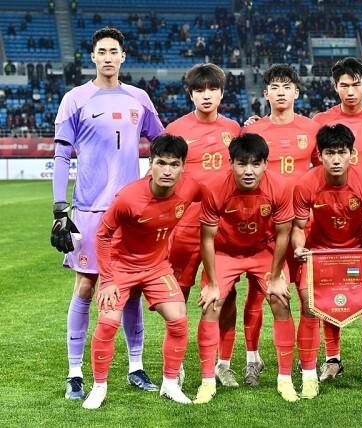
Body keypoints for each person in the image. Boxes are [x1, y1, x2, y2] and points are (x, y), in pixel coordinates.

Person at [51, 26, 164, 400]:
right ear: (93, 57)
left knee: (131, 291)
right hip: (88, 210)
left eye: (114, 51)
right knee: (85, 286)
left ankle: (136, 367)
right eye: (102, 51)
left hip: (131, 214)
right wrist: (59, 209)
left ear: (123, 56)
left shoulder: (139, 98)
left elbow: (163, 144)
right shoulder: (75, 99)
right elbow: (61, 156)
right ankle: (74, 373)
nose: (108, 57)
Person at [83, 135, 201, 409]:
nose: (167, 170)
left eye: (174, 164)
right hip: (121, 267)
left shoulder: (191, 188)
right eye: (161, 163)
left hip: (156, 267)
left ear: (183, 167)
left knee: (179, 319)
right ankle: (99, 387)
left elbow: (216, 201)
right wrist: (108, 280)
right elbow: (102, 235)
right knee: (107, 323)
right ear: (150, 163)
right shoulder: (129, 198)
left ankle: (170, 384)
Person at [221, 65, 319, 387]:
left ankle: (307, 360)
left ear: (296, 92)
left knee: (306, 294)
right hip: (265, 227)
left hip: (303, 225)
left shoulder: (312, 128)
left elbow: (323, 171)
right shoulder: (253, 130)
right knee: (258, 294)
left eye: (286, 86)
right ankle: (253, 359)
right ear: (265, 94)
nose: (280, 92)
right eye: (274, 87)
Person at [292, 124, 362, 400]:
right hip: (320, 254)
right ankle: (309, 378)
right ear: (319, 155)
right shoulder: (306, 184)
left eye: (341, 152)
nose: (336, 159)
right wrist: (299, 247)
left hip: (357, 252)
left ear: (352, 153)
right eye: (329, 153)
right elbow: (298, 227)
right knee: (310, 308)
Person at [198, 133, 299, 402]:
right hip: (225, 251)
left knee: (279, 299)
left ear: (266, 164)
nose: (248, 171)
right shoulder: (215, 188)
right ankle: (207, 381)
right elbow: (206, 238)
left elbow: (283, 234)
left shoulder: (280, 186)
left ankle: (285, 379)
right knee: (212, 303)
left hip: (262, 250)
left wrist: (276, 277)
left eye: (255, 163)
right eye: (242, 164)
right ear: (230, 163)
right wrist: (212, 283)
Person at [311, 57, 362, 381]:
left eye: (356, 83)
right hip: (328, 218)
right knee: (328, 288)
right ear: (335, 87)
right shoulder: (320, 121)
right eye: (343, 84)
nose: (350, 90)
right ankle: (332, 358)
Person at [164, 63, 242, 391]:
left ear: (222, 93)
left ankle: (223, 364)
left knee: (225, 296)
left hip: (223, 228)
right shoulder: (176, 129)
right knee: (177, 296)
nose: (206, 95)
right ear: (191, 94)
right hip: (185, 226)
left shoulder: (234, 129)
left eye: (212, 89)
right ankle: (177, 364)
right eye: (199, 90)